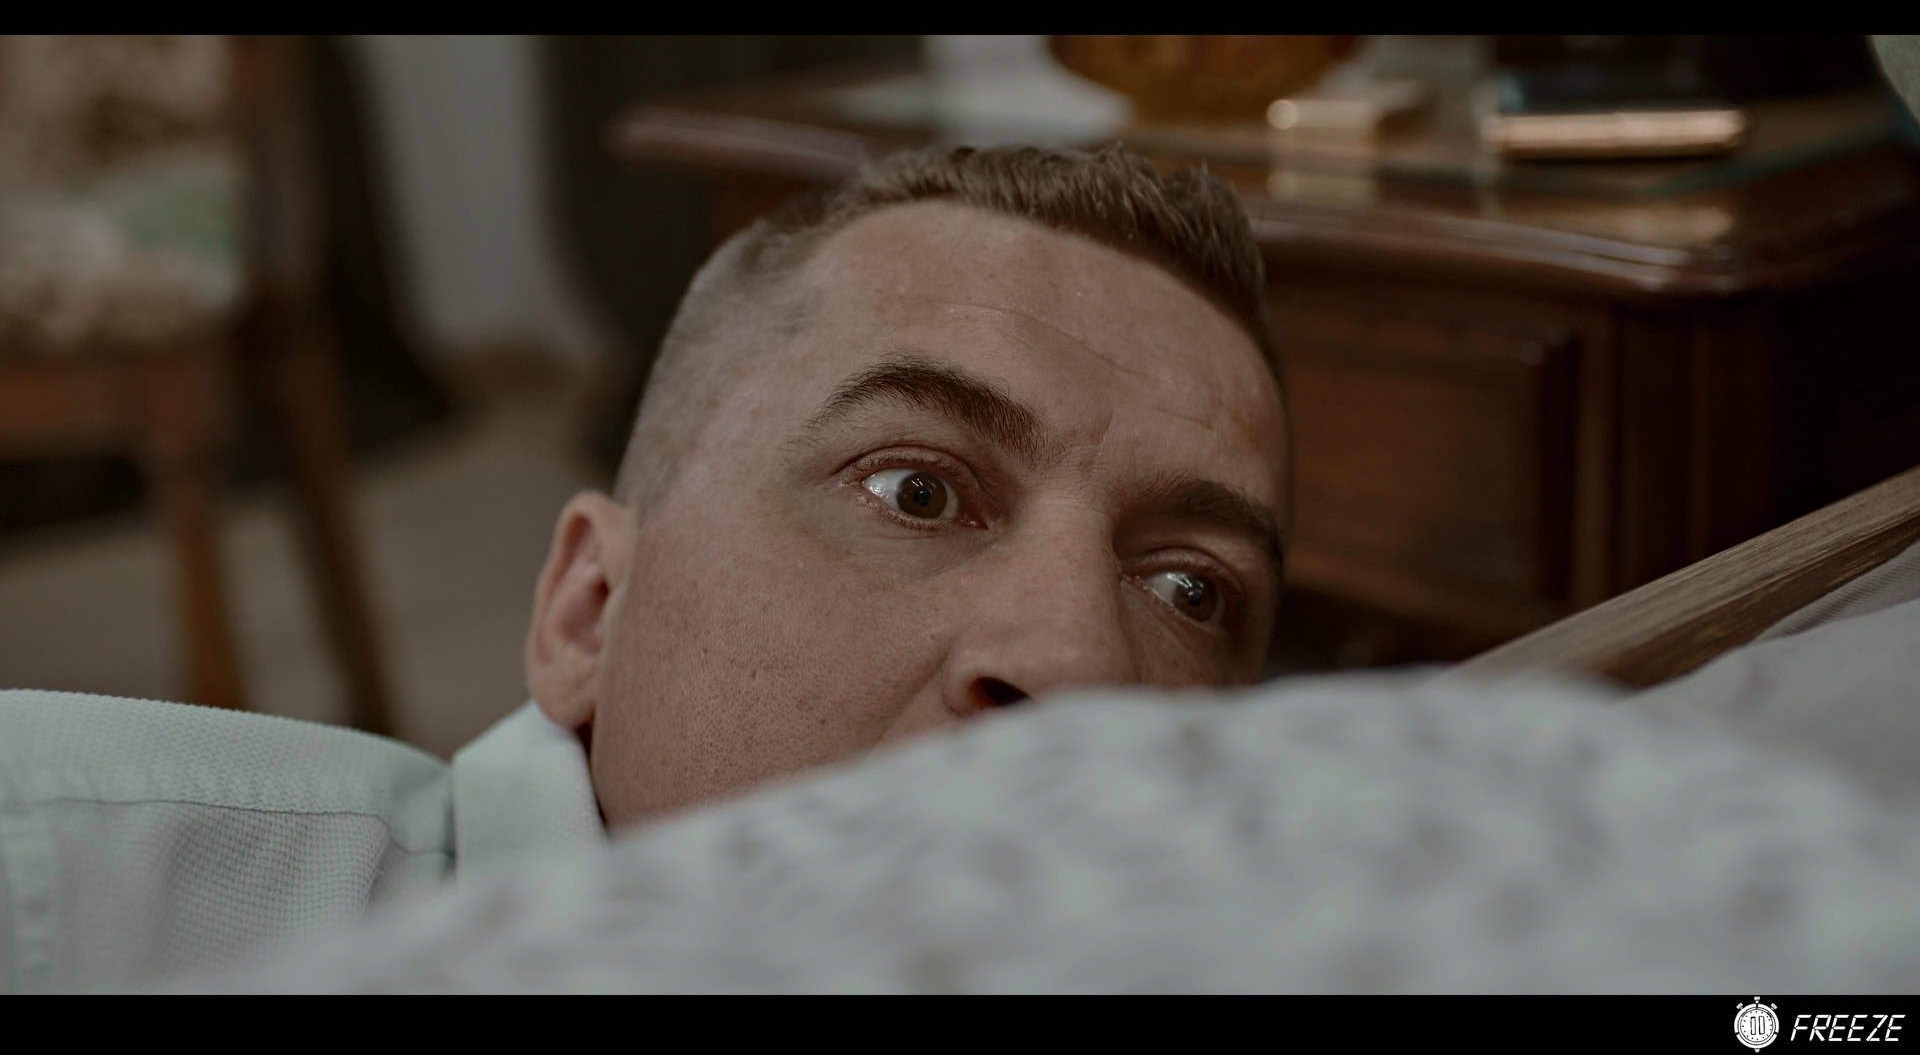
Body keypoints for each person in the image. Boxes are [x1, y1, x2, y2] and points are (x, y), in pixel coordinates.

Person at [0, 143, 1291, 991]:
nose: (1076, 658)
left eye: (1189, 590)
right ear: (589, 611)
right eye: (917, 490)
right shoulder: (66, 890)